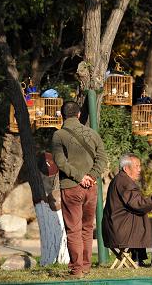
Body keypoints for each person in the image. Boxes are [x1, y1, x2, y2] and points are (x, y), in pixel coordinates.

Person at [51, 101, 107, 278]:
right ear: (79, 114)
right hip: (91, 188)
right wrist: (91, 176)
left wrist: (79, 177)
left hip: (71, 187)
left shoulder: (58, 135)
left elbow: (60, 163)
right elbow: (102, 158)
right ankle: (85, 266)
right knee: (87, 228)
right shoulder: (92, 133)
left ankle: (76, 270)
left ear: (62, 115)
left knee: (73, 229)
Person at [102, 153, 152, 268]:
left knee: (141, 220)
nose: (139, 170)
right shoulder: (125, 182)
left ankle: (137, 259)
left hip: (114, 230)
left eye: (139, 166)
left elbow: (133, 207)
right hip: (121, 232)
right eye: (137, 166)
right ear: (126, 168)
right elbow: (139, 205)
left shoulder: (119, 179)